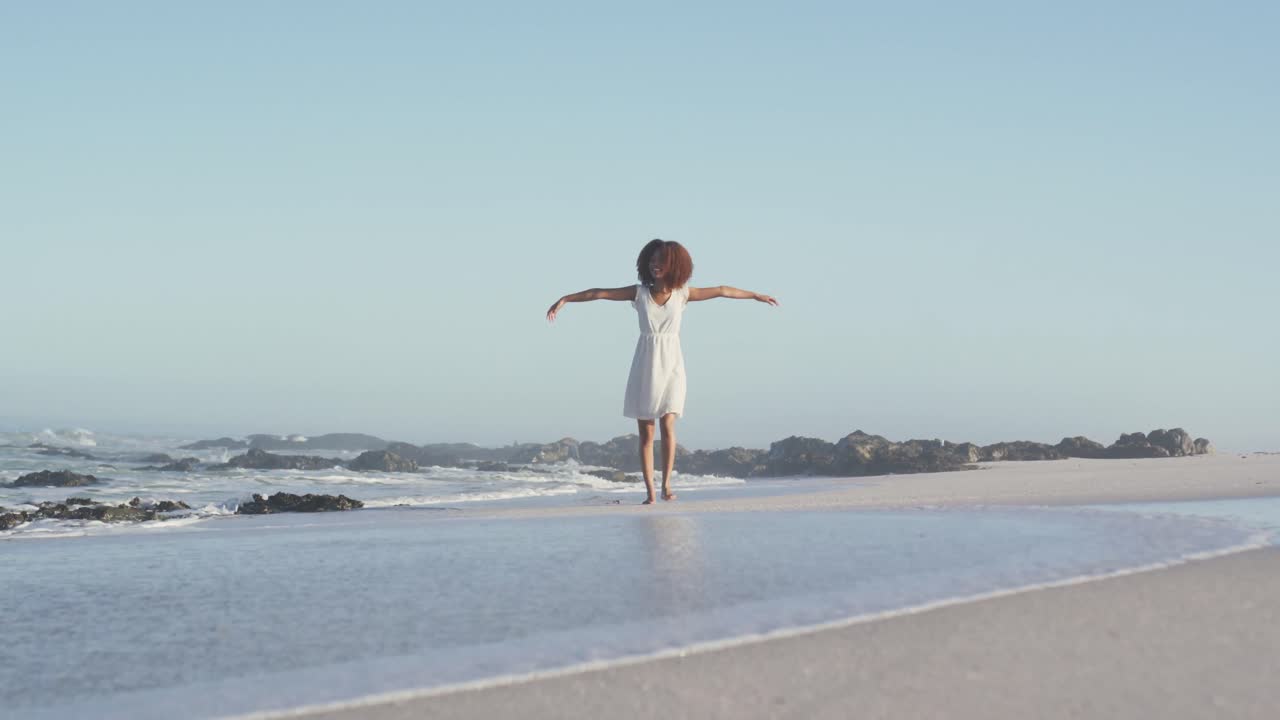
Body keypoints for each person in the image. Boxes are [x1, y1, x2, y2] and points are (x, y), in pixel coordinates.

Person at [546, 239, 779, 504]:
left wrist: (755, 295)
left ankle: (666, 485)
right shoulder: (638, 293)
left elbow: (723, 290)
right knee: (646, 432)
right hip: (646, 363)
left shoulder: (682, 294)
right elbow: (599, 293)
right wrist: (565, 299)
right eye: (652, 260)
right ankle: (650, 492)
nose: (655, 265)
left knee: (668, 423)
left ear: (674, 265)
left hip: (672, 363)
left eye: (661, 261)